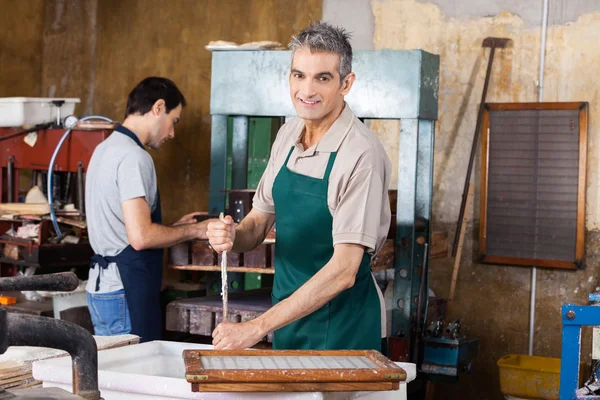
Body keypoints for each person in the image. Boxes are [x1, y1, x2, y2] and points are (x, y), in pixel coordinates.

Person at [206, 22, 391, 351]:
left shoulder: (360, 154)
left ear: (346, 83)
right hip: (288, 321)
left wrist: (257, 327)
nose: (307, 91)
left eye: (323, 78)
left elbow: (344, 271)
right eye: (298, 75)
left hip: (342, 330)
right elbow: (258, 223)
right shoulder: (288, 135)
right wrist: (233, 236)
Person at [85, 77, 213, 342]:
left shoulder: (104, 148)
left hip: (102, 287)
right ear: (158, 107)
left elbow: (123, 228)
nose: (172, 133)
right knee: (132, 375)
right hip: (125, 290)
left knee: (111, 375)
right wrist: (195, 230)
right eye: (173, 121)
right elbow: (141, 237)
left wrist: (175, 228)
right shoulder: (134, 157)